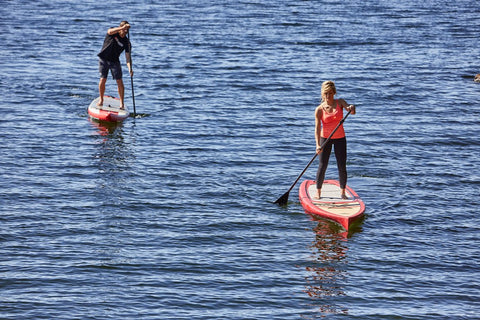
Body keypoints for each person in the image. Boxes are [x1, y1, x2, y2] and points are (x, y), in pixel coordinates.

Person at [315, 81, 356, 199]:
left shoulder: (340, 102)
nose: (329, 96)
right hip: (325, 139)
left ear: (334, 93)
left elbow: (351, 111)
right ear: (323, 94)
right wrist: (318, 145)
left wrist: (352, 108)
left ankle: (343, 192)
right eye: (326, 94)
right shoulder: (319, 109)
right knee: (322, 166)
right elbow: (317, 129)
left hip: (340, 139)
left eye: (331, 93)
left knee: (342, 165)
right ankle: (318, 193)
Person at [97, 21, 133, 109]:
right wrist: (122, 27)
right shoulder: (113, 33)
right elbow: (109, 31)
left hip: (114, 61)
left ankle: (121, 103)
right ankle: (101, 100)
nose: (125, 32)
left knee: (119, 81)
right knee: (103, 79)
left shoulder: (126, 42)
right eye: (124, 30)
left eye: (126, 31)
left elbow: (128, 58)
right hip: (103, 59)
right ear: (120, 28)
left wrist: (130, 69)